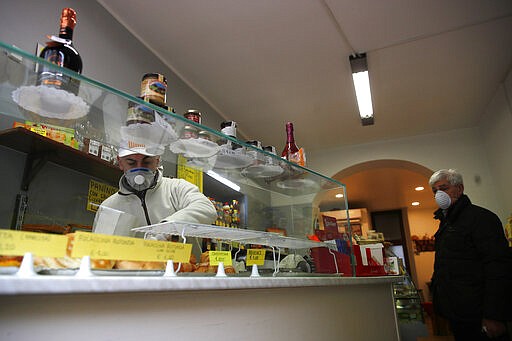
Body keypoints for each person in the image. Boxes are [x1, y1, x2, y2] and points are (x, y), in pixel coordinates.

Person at [429, 169, 512, 341]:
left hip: (480, 314)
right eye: (435, 191)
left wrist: (494, 315)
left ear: (459, 189)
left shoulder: (481, 218)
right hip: (459, 313)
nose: (439, 194)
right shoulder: (446, 224)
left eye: (443, 188)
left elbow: (497, 267)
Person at [93, 143, 217, 237]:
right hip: (132, 270)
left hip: (180, 269)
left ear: (157, 161)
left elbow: (206, 208)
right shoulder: (109, 206)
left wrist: (169, 228)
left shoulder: (176, 188)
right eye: (131, 163)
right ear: (120, 163)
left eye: (147, 162)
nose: (139, 169)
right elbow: (99, 251)